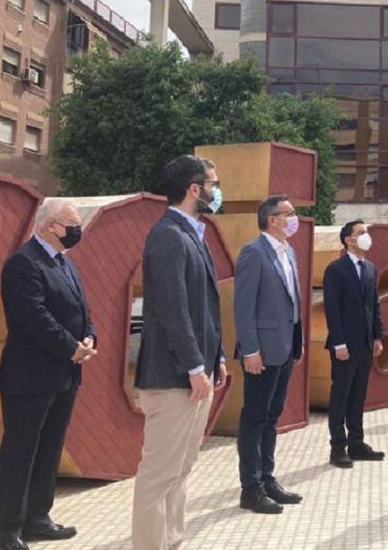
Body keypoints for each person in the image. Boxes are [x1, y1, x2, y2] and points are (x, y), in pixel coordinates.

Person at [0, 200, 96, 550]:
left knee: (49, 450)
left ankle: (37, 519)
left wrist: (89, 335)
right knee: (20, 453)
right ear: (51, 225)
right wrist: (70, 346)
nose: (77, 229)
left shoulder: (64, 263)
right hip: (29, 377)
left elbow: (81, 307)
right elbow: (32, 316)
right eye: (72, 223)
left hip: (64, 374)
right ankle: (5, 529)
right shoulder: (24, 263)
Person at [132, 155, 226, 550]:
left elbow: (201, 307)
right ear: (194, 189)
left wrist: (215, 357)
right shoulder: (168, 235)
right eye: (213, 184)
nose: (217, 192)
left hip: (194, 374)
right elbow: (172, 309)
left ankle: (173, 540)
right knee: (159, 473)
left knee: (181, 469)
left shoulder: (192, 233)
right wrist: (193, 365)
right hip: (174, 377)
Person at [234, 195, 304, 515]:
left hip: (285, 347)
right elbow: (244, 307)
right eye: (289, 214)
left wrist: (297, 341)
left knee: (272, 416)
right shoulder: (253, 252)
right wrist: (250, 349)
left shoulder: (288, 251)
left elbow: (292, 303)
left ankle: (267, 478)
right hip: (260, 351)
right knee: (255, 418)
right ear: (272, 219)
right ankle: (251, 489)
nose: (294, 219)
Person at [323, 219, 385, 468]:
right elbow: (332, 309)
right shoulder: (335, 270)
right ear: (348, 239)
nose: (366, 236)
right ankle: (337, 447)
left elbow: (375, 305)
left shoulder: (370, 268)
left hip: (366, 343)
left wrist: (378, 336)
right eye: (361, 233)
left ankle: (356, 443)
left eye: (366, 232)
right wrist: (338, 343)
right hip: (344, 345)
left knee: (358, 394)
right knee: (341, 394)